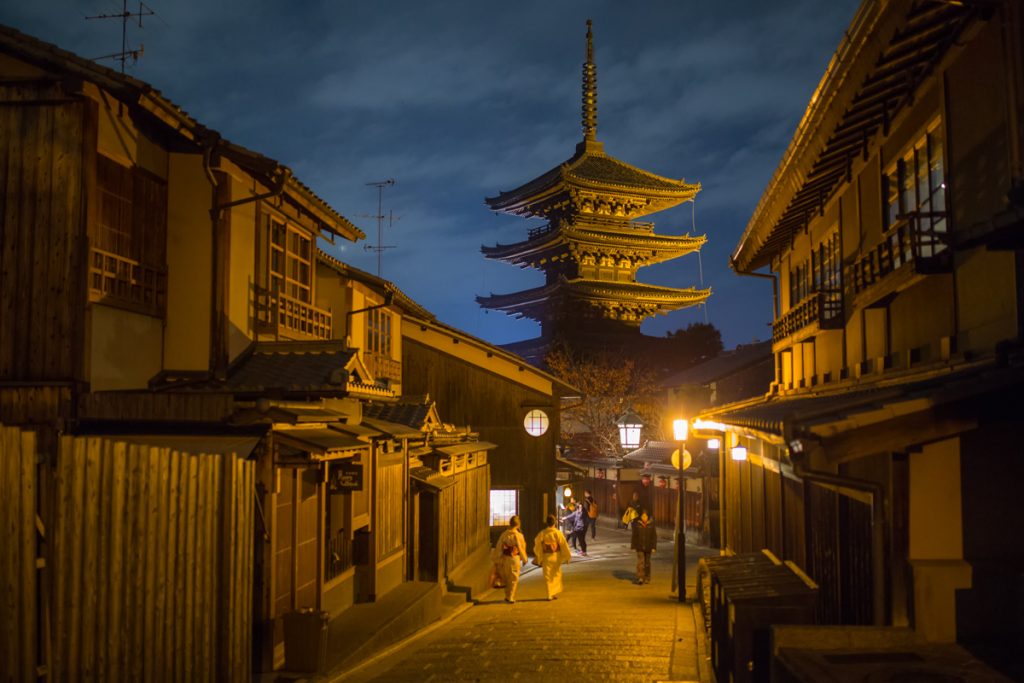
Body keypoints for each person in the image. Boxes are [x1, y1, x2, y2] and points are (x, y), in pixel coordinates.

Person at [533, 514, 572, 600]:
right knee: (556, 574)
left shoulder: (542, 533)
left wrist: (539, 554)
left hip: (547, 556)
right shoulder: (557, 533)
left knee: (547, 575)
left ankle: (549, 594)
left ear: (547, 523)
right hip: (556, 556)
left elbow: (537, 543)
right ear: (555, 523)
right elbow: (563, 544)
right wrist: (567, 556)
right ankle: (553, 593)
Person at [493, 515, 528, 603]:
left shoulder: (504, 534)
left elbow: (499, 547)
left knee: (507, 577)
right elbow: (522, 547)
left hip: (505, 558)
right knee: (513, 578)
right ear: (518, 525)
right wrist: (524, 558)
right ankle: (510, 596)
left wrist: (497, 558)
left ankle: (508, 595)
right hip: (515, 558)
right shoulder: (519, 536)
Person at [631, 508, 657, 585]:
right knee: (641, 562)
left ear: (648, 517)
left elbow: (654, 537)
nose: (644, 517)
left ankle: (647, 577)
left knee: (647, 563)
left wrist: (654, 547)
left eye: (645, 516)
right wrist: (633, 546)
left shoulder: (651, 525)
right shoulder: (637, 524)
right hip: (640, 546)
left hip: (648, 546)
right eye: (643, 516)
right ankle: (640, 577)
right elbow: (634, 536)